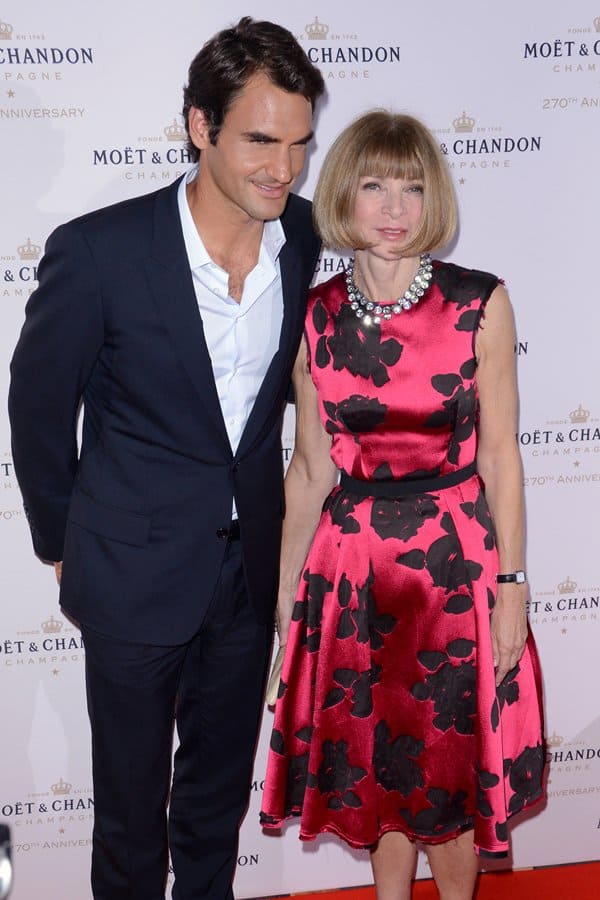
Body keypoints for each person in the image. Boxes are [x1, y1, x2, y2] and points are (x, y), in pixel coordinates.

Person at [8, 17, 324, 900]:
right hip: (128, 570)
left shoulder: (301, 238)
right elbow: (38, 407)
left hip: (245, 574)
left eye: (300, 143)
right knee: (130, 816)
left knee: (214, 805)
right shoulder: (101, 250)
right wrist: (62, 540)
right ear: (200, 127)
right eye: (261, 140)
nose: (284, 168)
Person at [260, 111, 544, 900]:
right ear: (344, 194)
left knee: (446, 776)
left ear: (435, 198)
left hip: (455, 572)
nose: (394, 207)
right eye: (376, 186)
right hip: (350, 572)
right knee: (375, 767)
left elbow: (500, 457)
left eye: (413, 188)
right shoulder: (314, 314)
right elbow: (310, 470)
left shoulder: (478, 303)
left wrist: (513, 584)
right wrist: (285, 599)